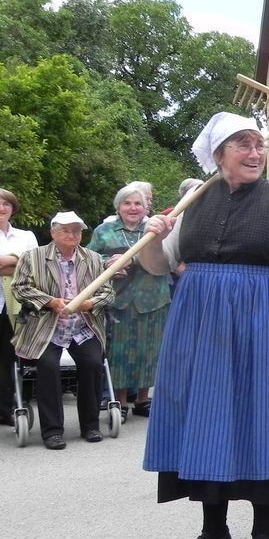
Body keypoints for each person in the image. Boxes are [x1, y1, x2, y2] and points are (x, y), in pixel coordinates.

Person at [138, 112, 269, 539]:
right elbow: (161, 266)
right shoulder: (194, 202)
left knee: (262, 418)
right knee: (206, 421)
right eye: (243, 145)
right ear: (218, 155)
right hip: (200, 327)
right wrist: (152, 240)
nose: (256, 152)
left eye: (259, 144)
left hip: (264, 322)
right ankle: (213, 533)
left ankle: (265, 535)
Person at [11, 212, 114, 449]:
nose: (72, 235)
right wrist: (50, 301)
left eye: (76, 231)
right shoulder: (33, 257)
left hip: (82, 326)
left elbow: (108, 292)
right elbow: (20, 287)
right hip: (46, 326)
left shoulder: (93, 258)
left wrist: (90, 304)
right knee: (47, 366)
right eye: (66, 230)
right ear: (53, 233)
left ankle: (90, 425)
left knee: (93, 363)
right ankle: (52, 431)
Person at [88, 183, 171, 417]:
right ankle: (121, 402)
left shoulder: (158, 229)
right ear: (118, 207)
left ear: (146, 207)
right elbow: (88, 258)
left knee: (150, 350)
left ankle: (144, 400)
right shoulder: (104, 231)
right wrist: (107, 263)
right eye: (127, 203)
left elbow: (171, 256)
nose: (133, 208)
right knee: (119, 352)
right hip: (119, 299)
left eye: (138, 204)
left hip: (153, 298)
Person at [0, 188, 38, 427]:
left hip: (17, 305)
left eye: (5, 204)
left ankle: (7, 408)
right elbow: (21, 263)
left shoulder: (26, 236)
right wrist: (17, 260)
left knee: (10, 358)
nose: (1, 208)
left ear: (13, 209)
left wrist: (11, 262)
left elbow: (33, 266)